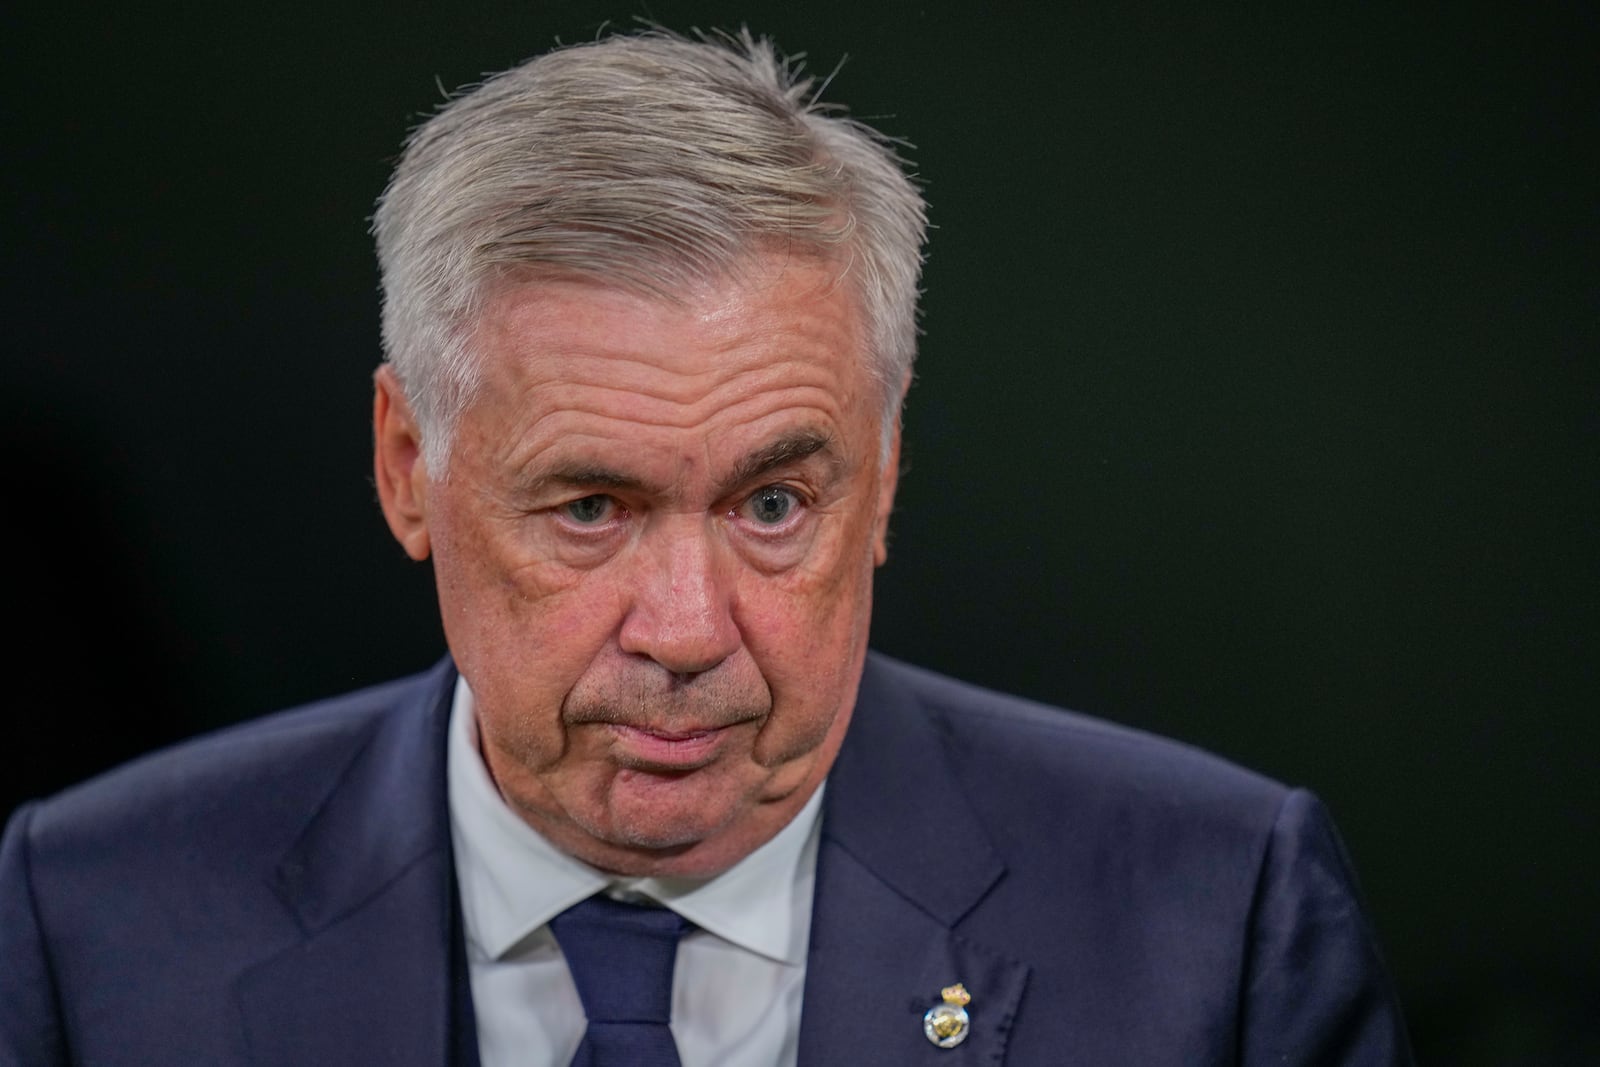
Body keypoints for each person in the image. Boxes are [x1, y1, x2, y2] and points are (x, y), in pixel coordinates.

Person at [0, 28, 1414, 1066]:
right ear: (406, 468)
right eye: (590, 509)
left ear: (889, 465)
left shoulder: (1215, 916)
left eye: (774, 505)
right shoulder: (94, 919)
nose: (684, 628)